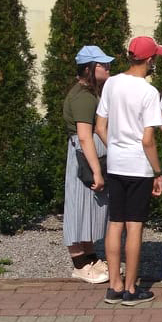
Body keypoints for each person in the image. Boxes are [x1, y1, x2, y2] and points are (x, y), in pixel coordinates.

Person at [94, 35, 162, 306]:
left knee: (115, 223)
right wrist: (157, 171)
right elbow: (148, 139)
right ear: (150, 59)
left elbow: (100, 126)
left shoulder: (112, 83)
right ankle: (131, 288)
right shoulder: (148, 92)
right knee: (135, 226)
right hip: (139, 165)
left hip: (116, 163)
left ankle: (114, 285)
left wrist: (114, 147)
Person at [62, 45, 113, 284]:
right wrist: (96, 171)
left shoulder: (89, 93)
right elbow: (84, 136)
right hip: (85, 160)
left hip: (88, 158)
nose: (108, 67)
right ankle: (80, 265)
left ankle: (91, 258)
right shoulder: (83, 97)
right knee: (78, 209)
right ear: (88, 69)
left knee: (88, 209)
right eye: (103, 64)